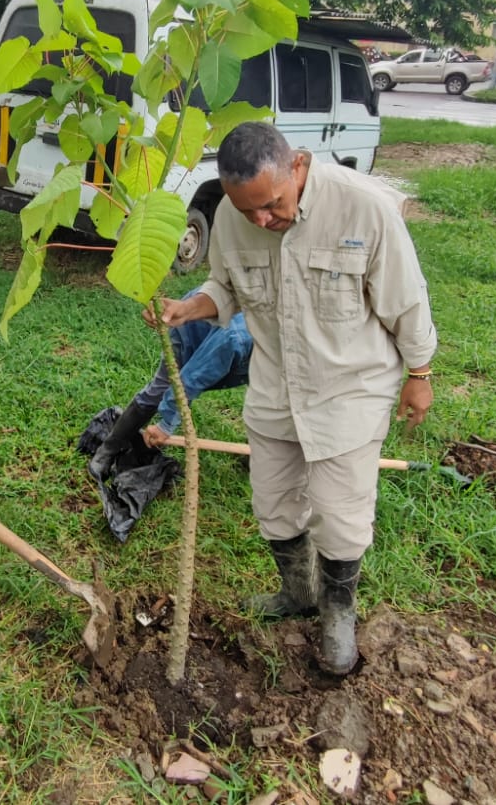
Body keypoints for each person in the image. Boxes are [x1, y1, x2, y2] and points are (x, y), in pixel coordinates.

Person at [152, 122, 437, 676]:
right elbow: (226, 286)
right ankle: (297, 592)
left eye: (271, 204)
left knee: (339, 514)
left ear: (297, 167)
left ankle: (337, 615)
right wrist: (190, 307)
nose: (261, 219)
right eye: (246, 209)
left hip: (350, 386)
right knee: (274, 504)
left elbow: (405, 298)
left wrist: (420, 371)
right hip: (277, 383)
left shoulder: (361, 209)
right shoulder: (237, 217)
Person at [87, 291, 253, 480]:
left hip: (236, 337)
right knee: (160, 389)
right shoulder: (237, 338)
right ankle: (107, 451)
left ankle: (256, 455)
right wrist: (166, 425)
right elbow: (190, 379)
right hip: (193, 327)